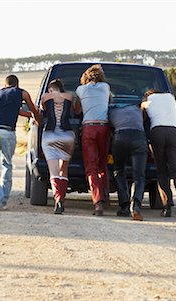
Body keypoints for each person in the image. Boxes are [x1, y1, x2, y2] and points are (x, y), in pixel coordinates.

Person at [0, 75, 40, 211]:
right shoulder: (22, 93)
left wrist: (27, 115)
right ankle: (1, 200)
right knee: (7, 164)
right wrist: (38, 120)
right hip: (7, 132)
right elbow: (32, 109)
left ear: (6, 85)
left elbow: (12, 110)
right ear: (17, 84)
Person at [141, 89, 176, 219]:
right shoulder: (170, 97)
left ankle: (166, 206)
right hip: (173, 132)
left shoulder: (147, 102)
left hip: (157, 132)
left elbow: (142, 116)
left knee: (162, 171)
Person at [75, 64, 111, 216]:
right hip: (104, 127)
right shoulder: (105, 87)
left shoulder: (80, 90)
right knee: (103, 164)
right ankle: (106, 195)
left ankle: (98, 203)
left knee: (91, 167)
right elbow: (109, 102)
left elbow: (77, 110)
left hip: (88, 128)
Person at [40, 79, 75, 214]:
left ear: (50, 89)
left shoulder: (46, 96)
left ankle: (58, 199)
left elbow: (43, 110)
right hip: (67, 136)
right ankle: (62, 197)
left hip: (50, 136)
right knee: (63, 170)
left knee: (53, 172)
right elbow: (72, 111)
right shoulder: (69, 96)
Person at [109, 101, 148, 221]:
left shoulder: (111, 110)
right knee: (139, 176)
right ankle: (136, 206)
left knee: (119, 171)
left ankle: (124, 206)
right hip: (139, 137)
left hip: (120, 137)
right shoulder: (137, 110)